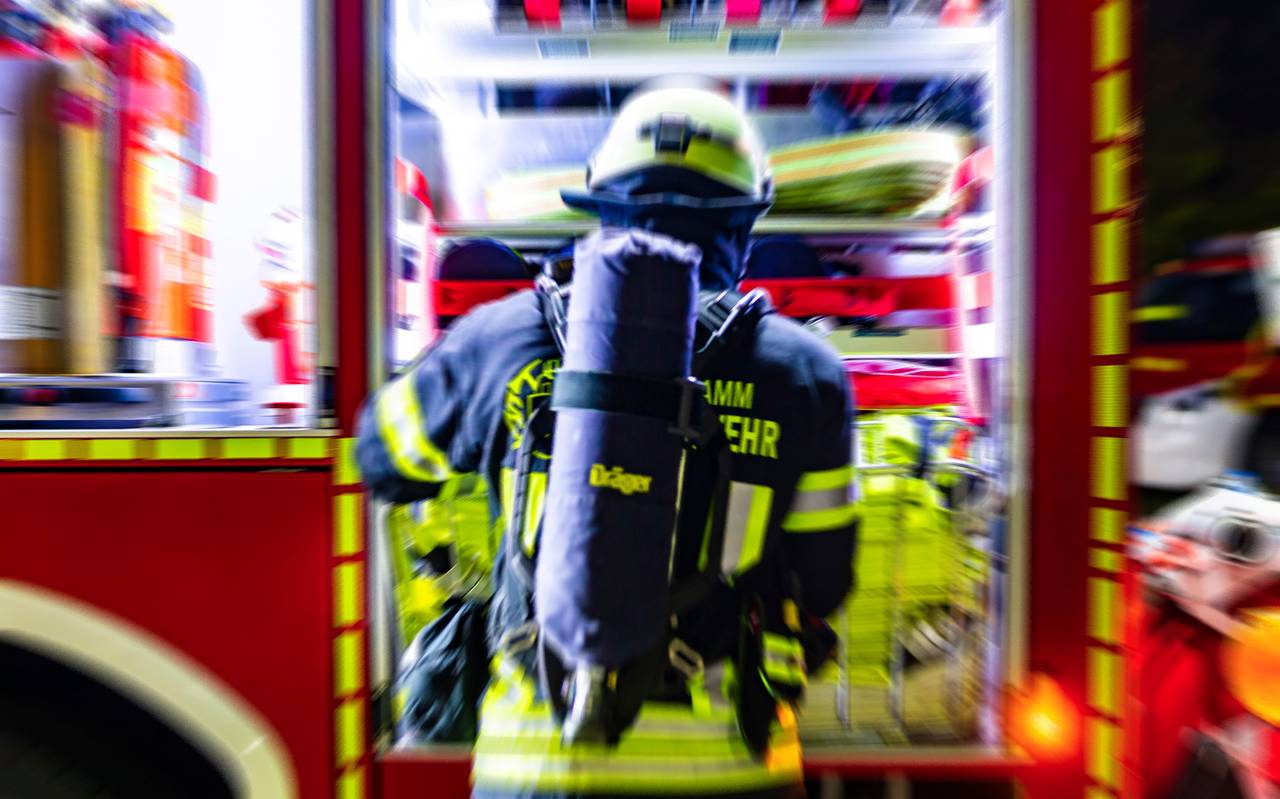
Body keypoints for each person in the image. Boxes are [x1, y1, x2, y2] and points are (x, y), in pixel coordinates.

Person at [357, 81, 858, 799]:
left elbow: (382, 459)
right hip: (729, 772)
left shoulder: (505, 335)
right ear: (746, 224)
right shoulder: (805, 370)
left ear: (598, 211)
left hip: (536, 771)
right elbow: (825, 579)